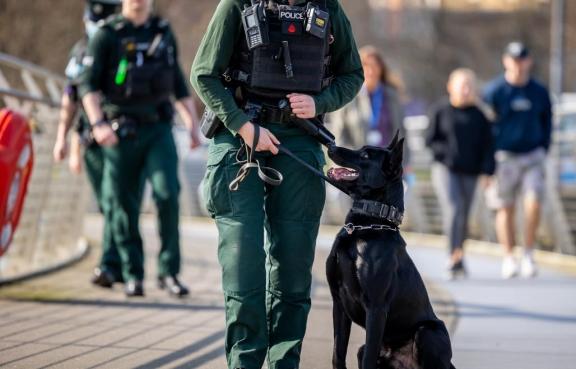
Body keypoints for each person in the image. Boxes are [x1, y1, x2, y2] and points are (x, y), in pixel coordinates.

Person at [191, 0, 363, 367]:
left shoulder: (328, 8)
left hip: (299, 140)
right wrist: (242, 125)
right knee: (243, 265)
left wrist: (320, 102)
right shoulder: (236, 5)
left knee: (294, 270)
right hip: (240, 137)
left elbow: (352, 74)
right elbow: (204, 74)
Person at [79, 0, 201, 297]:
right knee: (123, 205)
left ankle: (169, 272)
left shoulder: (162, 30)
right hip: (120, 132)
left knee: (167, 194)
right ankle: (133, 274)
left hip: (158, 129)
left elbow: (177, 83)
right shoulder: (107, 34)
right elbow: (87, 86)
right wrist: (98, 124)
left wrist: (192, 124)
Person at [52, 0, 124, 288]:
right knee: (109, 203)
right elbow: (71, 98)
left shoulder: (124, 44)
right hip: (90, 138)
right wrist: (65, 140)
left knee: (114, 198)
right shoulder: (80, 50)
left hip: (124, 135)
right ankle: (116, 262)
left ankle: (111, 264)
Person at [483, 41, 553, 279]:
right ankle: (509, 257)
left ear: (528, 61)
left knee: (533, 202)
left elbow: (548, 121)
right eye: (514, 59)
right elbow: (485, 126)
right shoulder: (495, 91)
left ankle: (529, 253)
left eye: (522, 59)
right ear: (506, 61)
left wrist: (544, 147)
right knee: (506, 207)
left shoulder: (539, 91)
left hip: (532, 155)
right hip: (503, 157)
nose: (518, 64)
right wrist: (487, 164)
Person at [426, 68, 495, 280]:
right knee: (454, 208)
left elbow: (488, 146)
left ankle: (459, 255)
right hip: (445, 169)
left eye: (469, 86)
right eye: (461, 85)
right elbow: (430, 139)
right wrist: (446, 155)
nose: (466, 90)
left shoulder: (480, 115)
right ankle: (452, 254)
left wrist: (488, 172)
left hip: (471, 171)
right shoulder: (440, 110)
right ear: (450, 87)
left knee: (464, 215)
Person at [329, 45, 405, 150]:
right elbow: (339, 135)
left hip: (386, 161)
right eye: (366, 65)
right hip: (358, 162)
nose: (371, 71)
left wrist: (404, 161)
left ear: (381, 69)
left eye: (375, 66)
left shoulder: (392, 95)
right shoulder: (348, 95)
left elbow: (402, 131)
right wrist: (346, 161)